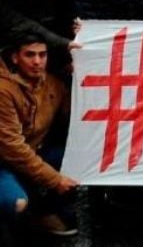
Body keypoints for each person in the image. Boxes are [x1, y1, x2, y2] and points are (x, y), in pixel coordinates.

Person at [0, 33, 78, 236]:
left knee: (77, 163)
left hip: (31, 155)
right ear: (15, 57)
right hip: (4, 163)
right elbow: (12, 148)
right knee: (16, 203)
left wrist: (79, 77)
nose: (37, 61)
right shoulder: (3, 90)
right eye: (30, 55)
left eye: (42, 55)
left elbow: (74, 116)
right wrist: (54, 179)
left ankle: (43, 213)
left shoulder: (52, 83)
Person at [0, 0, 77, 75]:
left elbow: (70, 29)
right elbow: (26, 25)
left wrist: (72, 59)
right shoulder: (3, 4)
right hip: (12, 70)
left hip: (58, 66)